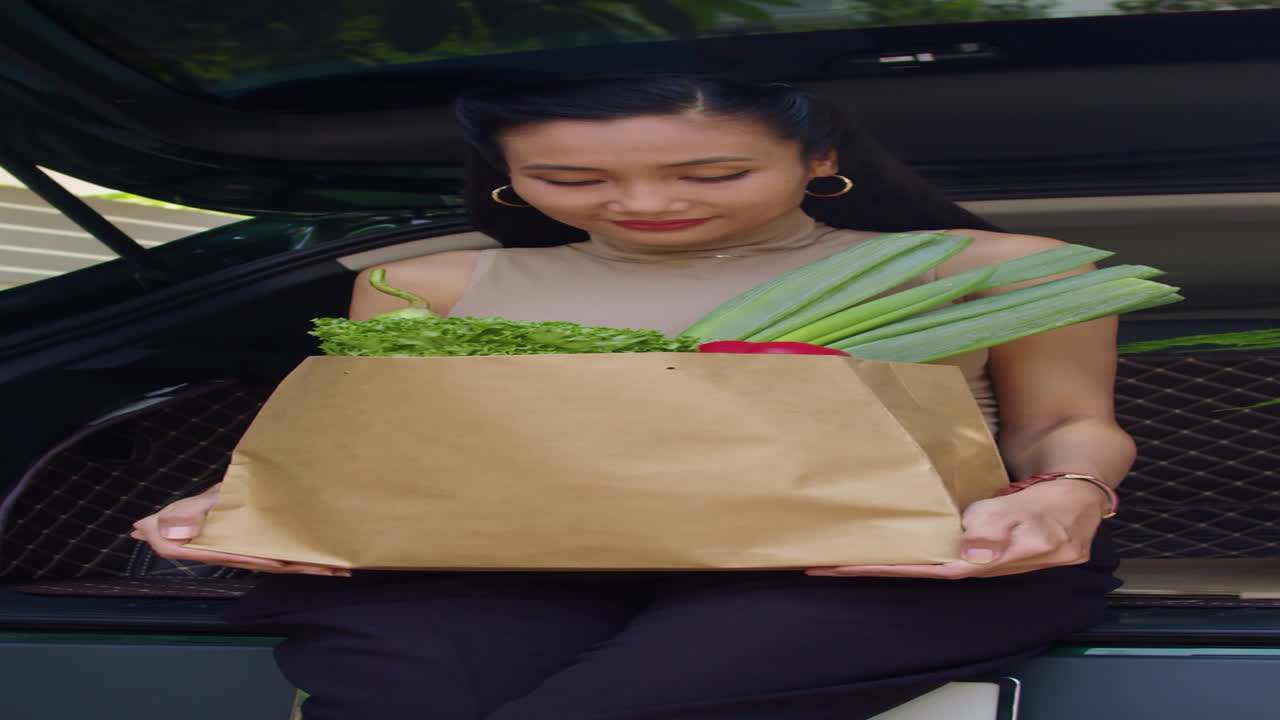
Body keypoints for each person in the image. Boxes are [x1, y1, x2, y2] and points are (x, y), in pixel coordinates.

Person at [131, 75, 1133, 720]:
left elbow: (1063, 424)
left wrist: (1068, 494)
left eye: (709, 171)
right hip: (497, 555)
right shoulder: (434, 283)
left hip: (866, 552)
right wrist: (259, 498)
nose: (644, 205)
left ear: (820, 158)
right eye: (568, 177)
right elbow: (392, 444)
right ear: (507, 177)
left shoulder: (1001, 270)